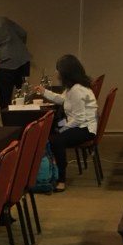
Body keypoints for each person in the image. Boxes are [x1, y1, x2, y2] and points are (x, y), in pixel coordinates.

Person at [34, 54, 97, 192]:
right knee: (52, 132)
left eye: (58, 70)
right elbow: (62, 100)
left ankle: (61, 179)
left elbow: (79, 119)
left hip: (85, 129)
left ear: (65, 72)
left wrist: (62, 128)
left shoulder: (77, 91)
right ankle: (51, 170)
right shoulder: (72, 88)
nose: (56, 73)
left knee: (57, 140)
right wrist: (44, 92)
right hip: (78, 123)